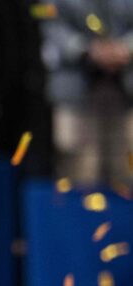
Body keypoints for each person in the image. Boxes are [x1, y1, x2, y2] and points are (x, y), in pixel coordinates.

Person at [42, 0, 133, 187]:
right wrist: (86, 50)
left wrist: (126, 48)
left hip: (126, 93)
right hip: (75, 94)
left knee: (126, 174)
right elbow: (50, 22)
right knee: (80, 175)